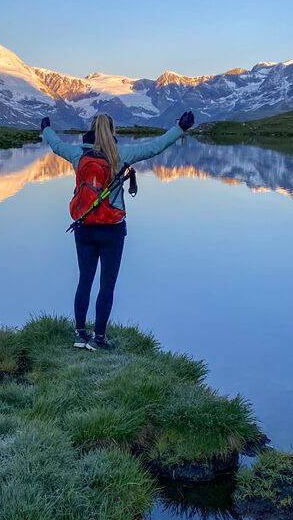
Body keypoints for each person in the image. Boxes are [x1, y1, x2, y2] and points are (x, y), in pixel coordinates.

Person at [40, 110, 195, 350]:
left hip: (84, 227)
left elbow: (56, 145)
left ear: (90, 131)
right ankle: (99, 338)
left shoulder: (77, 155)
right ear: (112, 132)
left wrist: (46, 129)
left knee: (84, 281)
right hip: (112, 230)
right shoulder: (121, 156)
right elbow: (156, 147)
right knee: (107, 286)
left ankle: (81, 335)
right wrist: (180, 128)